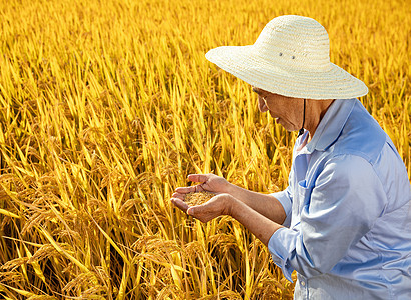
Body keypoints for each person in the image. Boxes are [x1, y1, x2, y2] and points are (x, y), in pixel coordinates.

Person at [170, 15, 411, 299]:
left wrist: (232, 208)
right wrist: (230, 191)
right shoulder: (316, 128)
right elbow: (296, 204)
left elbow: (307, 257)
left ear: (299, 87)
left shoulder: (349, 164)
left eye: (265, 95)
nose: (260, 107)